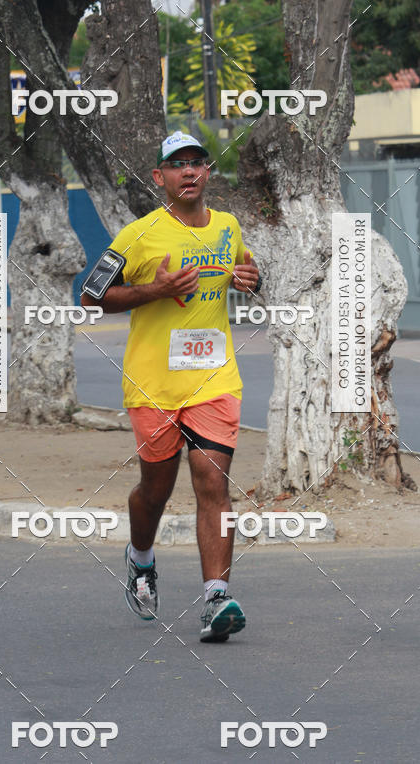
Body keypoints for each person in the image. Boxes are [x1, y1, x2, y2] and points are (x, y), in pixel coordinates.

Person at [81, 131, 260, 642]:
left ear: (207, 173)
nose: (189, 172)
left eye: (197, 163)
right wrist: (155, 289)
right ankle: (140, 559)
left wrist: (251, 278)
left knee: (213, 483)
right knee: (155, 491)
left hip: (213, 379)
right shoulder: (139, 235)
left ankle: (216, 598)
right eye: (177, 165)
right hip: (153, 383)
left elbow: (244, 271)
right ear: (159, 177)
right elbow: (92, 296)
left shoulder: (227, 226)